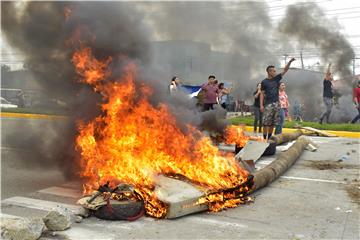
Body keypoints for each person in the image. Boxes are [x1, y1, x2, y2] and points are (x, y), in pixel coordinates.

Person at [260, 58, 295, 140]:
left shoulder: (276, 79)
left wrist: (289, 62)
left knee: (272, 123)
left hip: (276, 104)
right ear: (269, 72)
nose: (275, 72)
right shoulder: (264, 82)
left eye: (275, 71)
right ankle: (264, 139)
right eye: (274, 71)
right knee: (266, 123)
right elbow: (262, 93)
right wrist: (261, 105)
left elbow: (285, 70)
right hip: (268, 104)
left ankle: (269, 139)